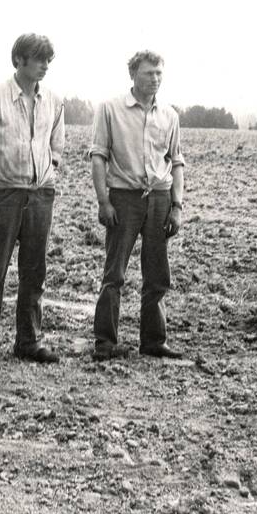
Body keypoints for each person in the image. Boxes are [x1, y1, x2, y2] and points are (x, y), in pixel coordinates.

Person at [0, 33, 65, 368]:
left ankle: (28, 341)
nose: (45, 66)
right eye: (38, 59)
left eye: (48, 60)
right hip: (3, 197)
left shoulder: (53, 100)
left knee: (34, 272)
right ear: (18, 60)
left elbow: (56, 147)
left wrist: (45, 178)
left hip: (40, 197)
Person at [90, 50, 185, 360]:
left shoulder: (169, 115)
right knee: (114, 273)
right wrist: (104, 201)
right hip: (123, 199)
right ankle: (105, 343)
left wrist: (177, 205)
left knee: (158, 274)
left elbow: (177, 162)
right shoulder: (110, 109)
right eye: (148, 73)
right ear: (133, 74)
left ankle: (154, 342)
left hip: (159, 199)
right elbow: (99, 156)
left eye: (159, 73)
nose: (154, 79)